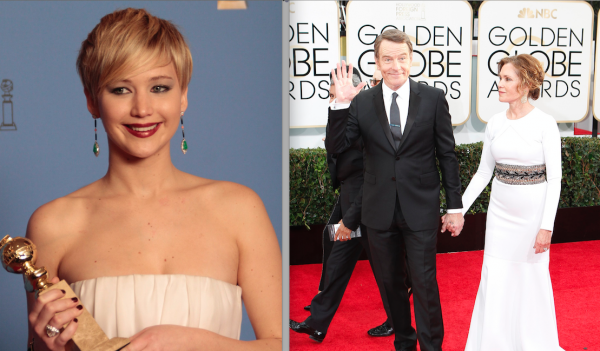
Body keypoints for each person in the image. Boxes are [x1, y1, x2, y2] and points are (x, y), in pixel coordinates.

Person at [24, 8, 281, 351]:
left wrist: (192, 343)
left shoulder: (239, 209)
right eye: (120, 89)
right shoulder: (53, 224)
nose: (142, 109)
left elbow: (283, 343)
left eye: (159, 87)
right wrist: (48, 347)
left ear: (183, 95)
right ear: (91, 100)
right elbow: (42, 344)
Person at [325, 28, 464, 351]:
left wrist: (454, 208)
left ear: (412, 60)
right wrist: (339, 105)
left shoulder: (432, 98)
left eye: (401, 58)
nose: (395, 65)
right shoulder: (361, 102)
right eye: (387, 59)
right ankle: (404, 342)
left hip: (421, 209)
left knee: (424, 282)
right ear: (377, 62)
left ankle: (432, 347)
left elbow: (447, 155)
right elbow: (337, 146)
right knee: (391, 285)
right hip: (378, 211)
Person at [454, 54, 563, 350]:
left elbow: (554, 180)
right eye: (500, 77)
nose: (499, 84)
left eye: (507, 78)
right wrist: (458, 209)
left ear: (526, 83)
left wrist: (546, 227)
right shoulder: (495, 123)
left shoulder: (545, 124)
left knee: (530, 279)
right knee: (496, 276)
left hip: (532, 216)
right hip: (500, 215)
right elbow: (483, 173)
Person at [290, 67, 395, 341]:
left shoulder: (368, 115)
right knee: (338, 255)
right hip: (349, 198)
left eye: (335, 88)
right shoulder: (340, 111)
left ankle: (397, 317)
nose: (332, 93)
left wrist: (351, 217)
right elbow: (336, 147)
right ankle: (318, 321)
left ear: (356, 89)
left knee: (383, 268)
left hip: (364, 203)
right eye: (333, 88)